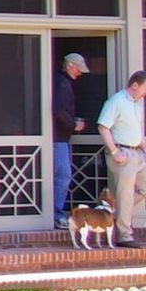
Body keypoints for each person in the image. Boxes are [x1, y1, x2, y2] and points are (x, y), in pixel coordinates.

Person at [96, 69, 146, 247]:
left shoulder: (137, 103)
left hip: (137, 153)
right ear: (135, 85)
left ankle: (111, 207)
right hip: (122, 153)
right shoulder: (116, 101)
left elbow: (136, 130)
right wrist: (115, 152)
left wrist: (145, 151)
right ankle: (124, 235)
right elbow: (103, 127)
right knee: (125, 194)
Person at [52, 52, 89, 229]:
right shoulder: (62, 84)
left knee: (59, 176)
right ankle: (56, 214)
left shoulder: (61, 83)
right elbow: (58, 111)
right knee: (63, 176)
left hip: (59, 139)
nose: (80, 73)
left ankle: (53, 213)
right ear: (69, 66)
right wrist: (73, 125)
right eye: (78, 68)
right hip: (57, 139)